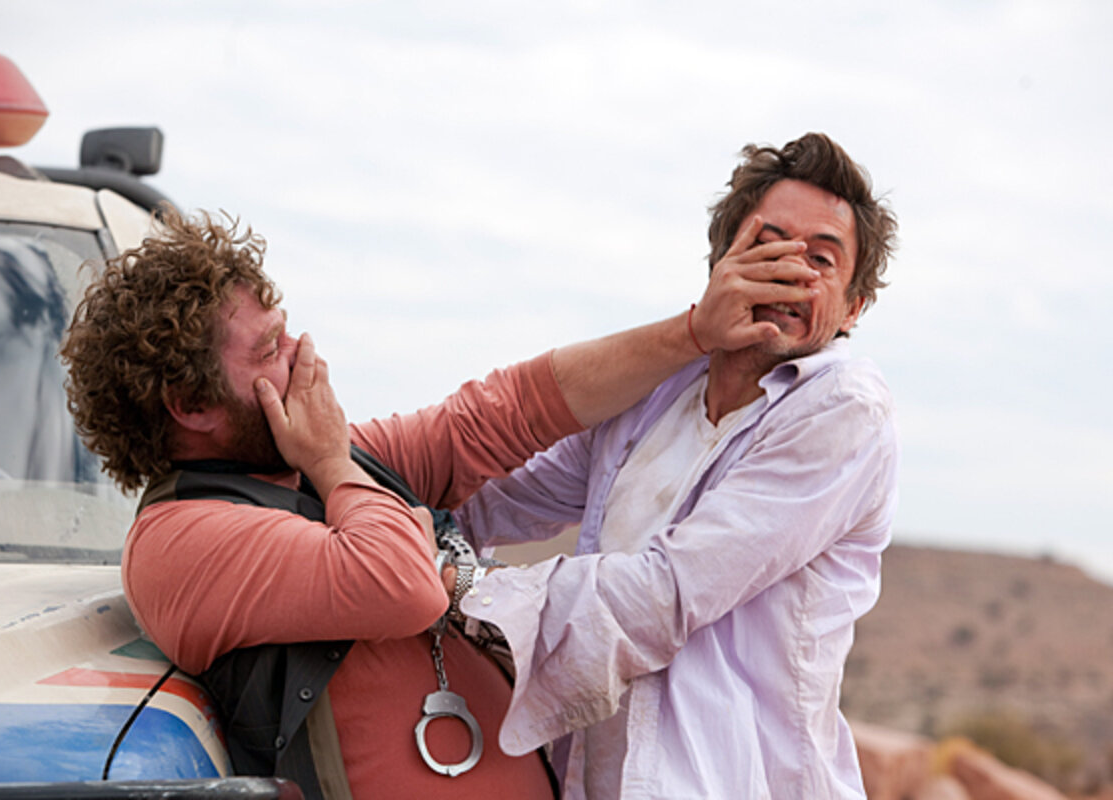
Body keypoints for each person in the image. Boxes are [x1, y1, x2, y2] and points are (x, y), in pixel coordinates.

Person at [59, 204, 816, 800]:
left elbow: (503, 413)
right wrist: (332, 463)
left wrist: (693, 332)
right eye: (269, 353)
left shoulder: (324, 467)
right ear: (191, 405)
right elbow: (402, 584)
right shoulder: (179, 541)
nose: (305, 359)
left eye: (285, 335)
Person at [452, 132, 900, 798]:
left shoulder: (843, 408)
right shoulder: (656, 395)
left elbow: (665, 593)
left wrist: (458, 585)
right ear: (721, 260)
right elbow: (498, 493)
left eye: (821, 259)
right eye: (769, 243)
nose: (789, 270)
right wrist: (357, 491)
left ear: (853, 307)